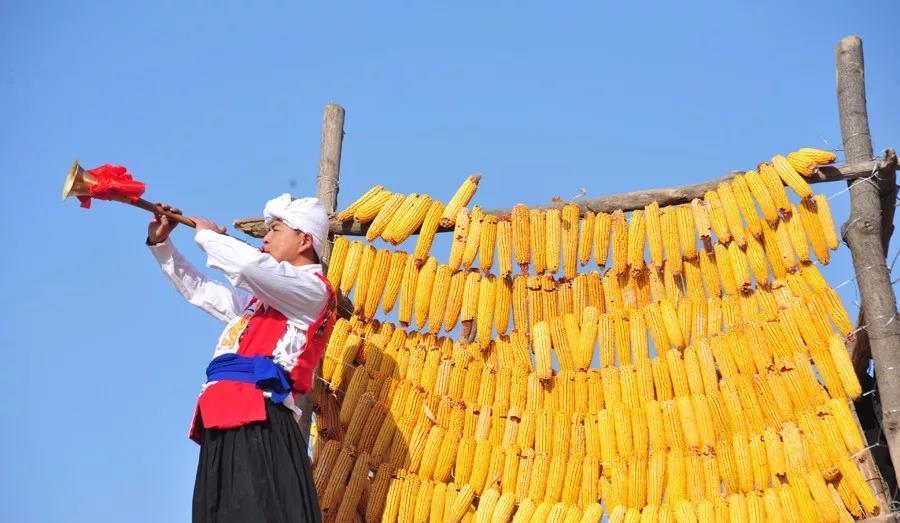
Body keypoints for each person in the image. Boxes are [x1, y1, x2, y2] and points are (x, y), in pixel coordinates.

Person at [146, 194, 335, 523]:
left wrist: (207, 237)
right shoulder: (257, 302)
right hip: (223, 418)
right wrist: (163, 246)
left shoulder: (312, 292)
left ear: (305, 240)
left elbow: (248, 266)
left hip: (260, 419)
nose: (266, 237)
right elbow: (202, 291)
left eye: (275, 229)